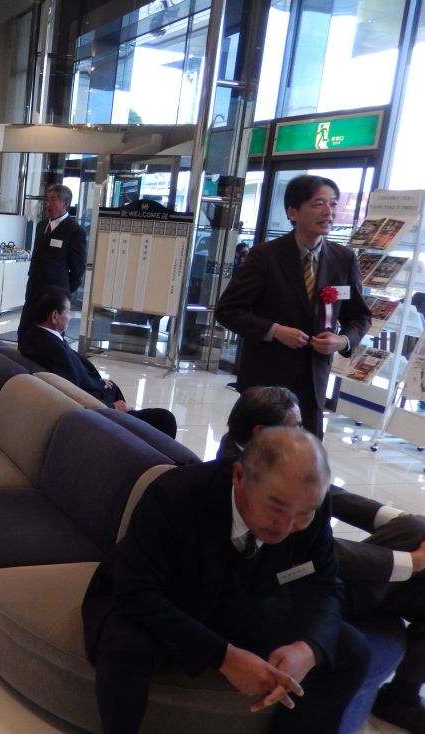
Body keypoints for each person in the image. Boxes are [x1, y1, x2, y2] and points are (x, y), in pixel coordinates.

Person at [82, 427, 370, 734]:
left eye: (303, 514)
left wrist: (306, 648)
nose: (286, 527)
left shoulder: (310, 505)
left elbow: (325, 585)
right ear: (239, 475)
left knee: (351, 649)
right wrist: (224, 657)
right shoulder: (173, 495)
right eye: (276, 507)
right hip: (168, 598)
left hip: (248, 600)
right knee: (126, 647)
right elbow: (136, 593)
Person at [218, 385, 425, 733]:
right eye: (297, 426)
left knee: (412, 529)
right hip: (292, 590)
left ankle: (401, 698)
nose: (305, 434)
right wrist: (412, 562)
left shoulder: (255, 453)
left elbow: (332, 496)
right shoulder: (238, 477)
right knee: (412, 549)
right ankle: (400, 699)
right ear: (262, 432)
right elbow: (320, 551)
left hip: (312, 577)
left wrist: (399, 519)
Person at [216, 174, 371, 438]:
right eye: (318, 204)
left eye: (333, 204)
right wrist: (275, 330)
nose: (329, 212)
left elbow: (360, 317)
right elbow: (228, 311)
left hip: (313, 379)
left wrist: (342, 340)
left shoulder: (343, 258)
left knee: (307, 449)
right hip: (266, 379)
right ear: (293, 212)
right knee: (257, 448)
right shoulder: (265, 255)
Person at [19, 287, 177, 437]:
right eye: (68, 312)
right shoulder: (53, 351)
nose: (70, 317)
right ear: (55, 316)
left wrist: (98, 381)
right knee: (165, 419)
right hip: (100, 415)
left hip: (98, 393)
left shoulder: (36, 337)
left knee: (116, 391)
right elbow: (72, 396)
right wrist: (113, 408)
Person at [17, 184, 87, 340]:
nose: (47, 204)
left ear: (65, 203)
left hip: (55, 296)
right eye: (47, 200)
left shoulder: (75, 231)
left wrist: (63, 292)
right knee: (25, 333)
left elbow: (78, 271)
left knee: (49, 339)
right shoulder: (41, 226)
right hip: (34, 292)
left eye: (53, 200)